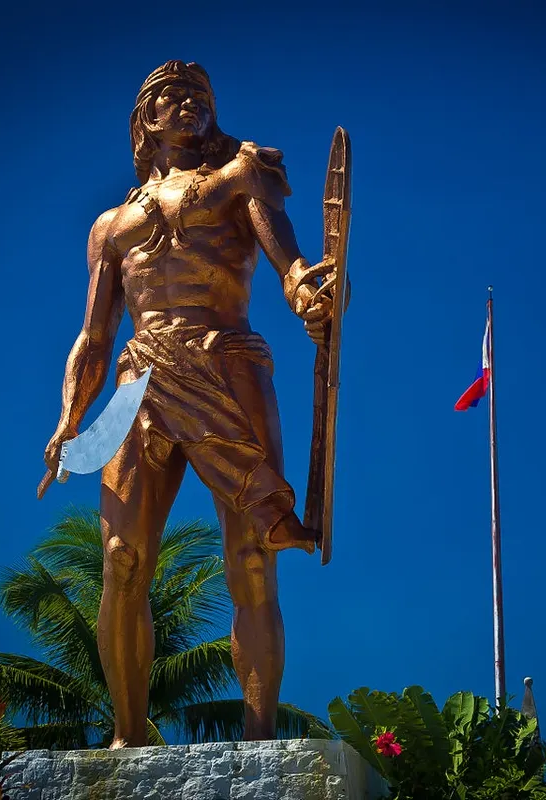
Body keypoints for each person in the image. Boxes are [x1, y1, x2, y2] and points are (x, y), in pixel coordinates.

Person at [37, 60, 334, 747]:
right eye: (170, 96)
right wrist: (68, 421)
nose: (188, 103)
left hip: (227, 364)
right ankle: (128, 737)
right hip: (139, 382)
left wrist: (308, 294)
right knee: (121, 558)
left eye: (199, 94)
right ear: (146, 118)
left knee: (252, 556)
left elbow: (290, 264)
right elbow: (94, 336)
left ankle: (259, 742)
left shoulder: (242, 176)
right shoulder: (111, 227)